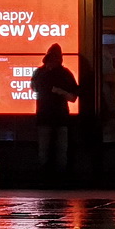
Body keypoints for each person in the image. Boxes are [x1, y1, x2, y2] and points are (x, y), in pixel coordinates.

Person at [31, 44, 79, 180]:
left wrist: (59, 91)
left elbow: (34, 88)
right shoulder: (64, 74)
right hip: (58, 116)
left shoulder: (40, 73)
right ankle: (59, 177)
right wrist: (60, 92)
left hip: (47, 116)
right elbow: (73, 97)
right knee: (60, 150)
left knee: (46, 150)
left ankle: (46, 176)